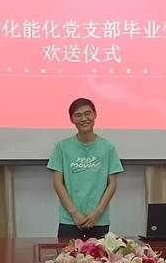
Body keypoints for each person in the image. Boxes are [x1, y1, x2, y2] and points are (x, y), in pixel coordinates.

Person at [47, 98, 123, 239]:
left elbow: (112, 184)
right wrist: (74, 213)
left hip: (99, 220)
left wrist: (97, 213)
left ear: (95, 115)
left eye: (87, 113)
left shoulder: (108, 147)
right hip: (69, 220)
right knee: (68, 254)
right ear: (72, 119)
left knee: (100, 254)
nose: (84, 119)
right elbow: (57, 183)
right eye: (78, 115)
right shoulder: (62, 147)